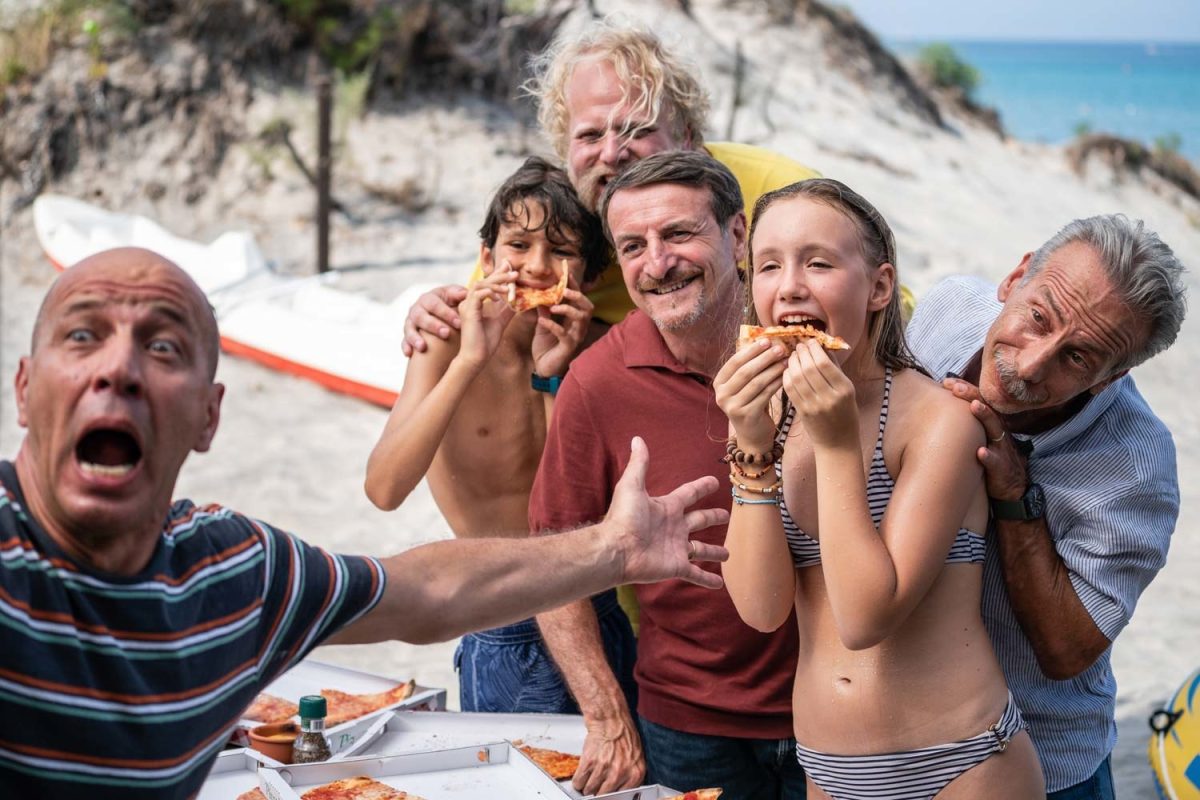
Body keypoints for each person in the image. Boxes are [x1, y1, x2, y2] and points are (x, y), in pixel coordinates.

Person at [0, 246, 730, 800]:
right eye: (83, 336)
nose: (119, 369)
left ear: (209, 416)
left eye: (162, 347)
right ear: (26, 392)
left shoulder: (230, 571)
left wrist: (615, 547)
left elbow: (424, 591)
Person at [715, 178, 1044, 799]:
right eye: (768, 266)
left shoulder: (938, 421)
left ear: (879, 287)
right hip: (830, 776)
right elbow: (761, 610)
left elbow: (867, 616)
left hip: (963, 765)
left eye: (818, 262)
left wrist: (838, 446)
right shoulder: (775, 413)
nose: (789, 286)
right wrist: (750, 443)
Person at [530, 151, 807, 797]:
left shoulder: (806, 343)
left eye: (679, 234)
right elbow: (552, 559)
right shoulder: (597, 381)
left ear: (737, 236)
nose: (657, 264)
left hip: (837, 714)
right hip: (687, 726)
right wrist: (605, 715)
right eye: (633, 245)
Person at [905, 215, 1187, 799]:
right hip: (895, 737)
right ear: (1014, 277)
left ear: (1114, 377)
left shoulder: (1136, 466)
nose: (1031, 366)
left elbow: (1067, 650)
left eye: (1079, 359)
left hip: (1042, 762)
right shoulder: (945, 311)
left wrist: (1013, 493)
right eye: (1039, 318)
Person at [363, 156, 635, 714]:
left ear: (587, 277)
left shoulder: (604, 350)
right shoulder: (444, 339)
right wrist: (469, 361)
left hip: (597, 609)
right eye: (519, 245)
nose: (537, 267)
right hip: (499, 614)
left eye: (561, 252)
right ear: (486, 258)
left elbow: (574, 501)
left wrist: (553, 374)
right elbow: (384, 488)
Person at [401, 21, 821, 351]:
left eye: (636, 129)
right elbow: (490, 324)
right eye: (589, 136)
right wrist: (433, 314)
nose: (611, 153)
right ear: (565, 149)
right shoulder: (552, 222)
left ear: (687, 137)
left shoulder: (782, 194)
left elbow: (877, 310)